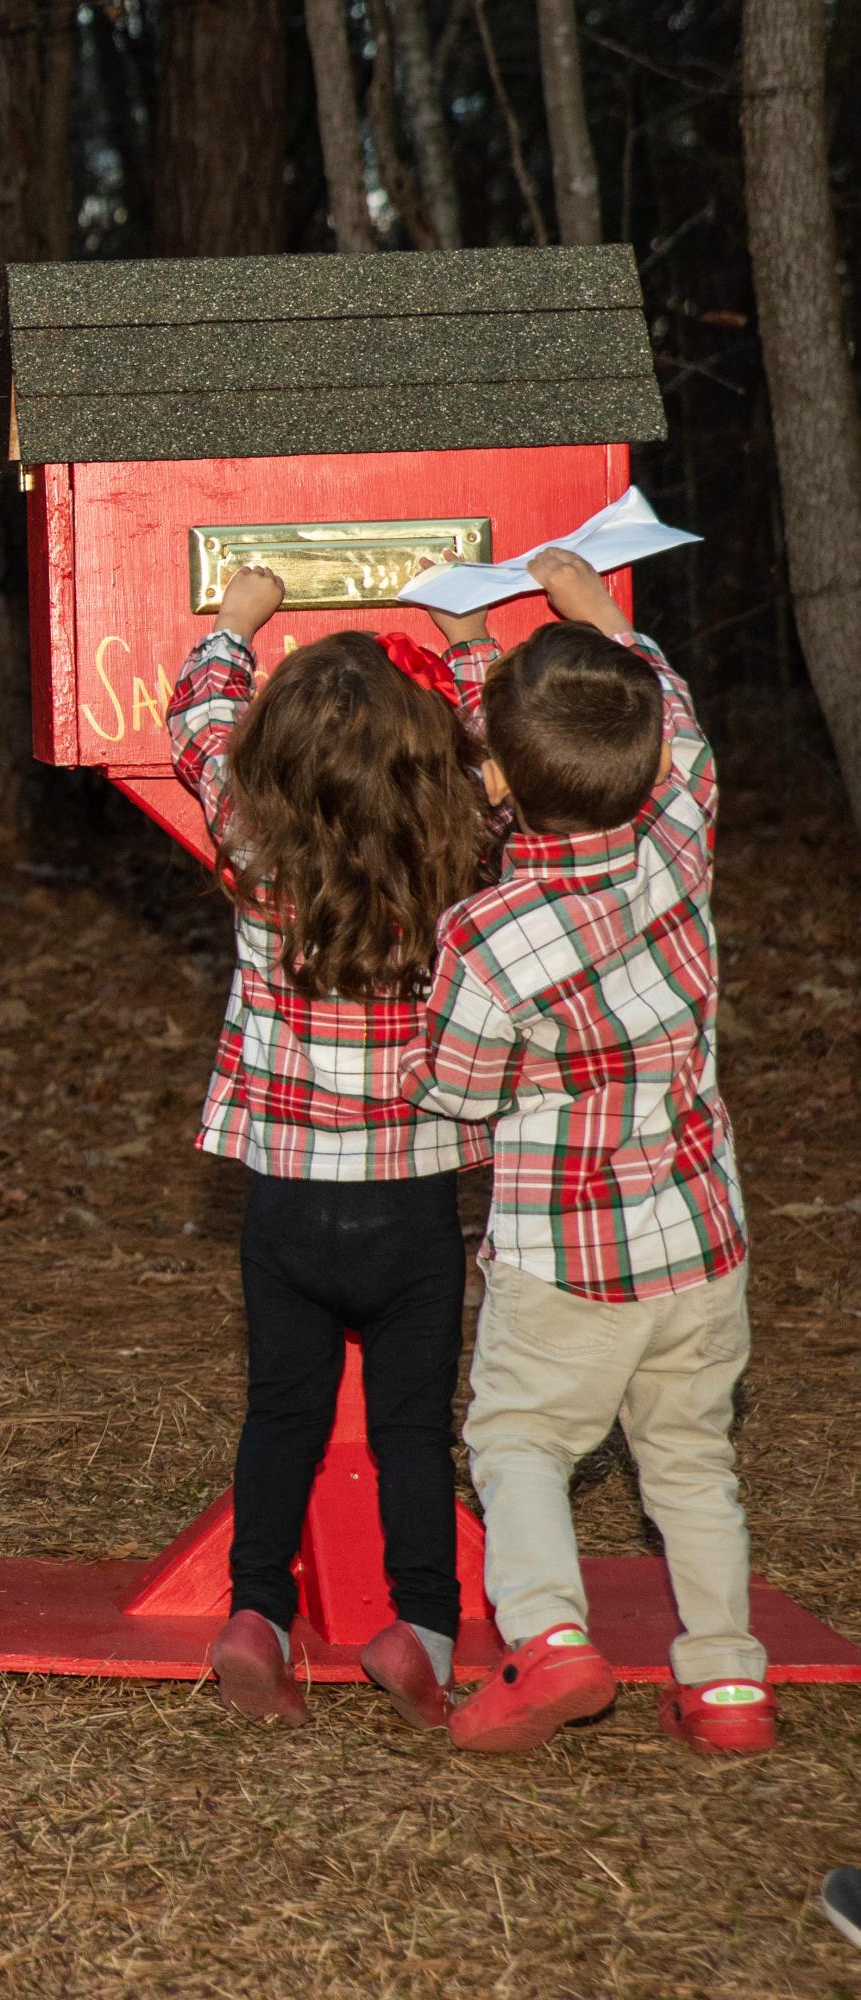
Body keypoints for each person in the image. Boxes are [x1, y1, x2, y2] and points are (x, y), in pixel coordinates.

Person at [402, 549, 769, 1756]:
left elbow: (455, 1090)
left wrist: (465, 653)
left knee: (516, 1442)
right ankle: (724, 1685)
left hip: (563, 1257)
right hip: (699, 1240)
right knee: (687, 1460)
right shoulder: (679, 841)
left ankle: (548, 1640)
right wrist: (605, 618)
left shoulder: (486, 932)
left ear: (494, 778)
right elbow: (680, 736)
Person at [166, 565, 497, 1730]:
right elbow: (508, 755)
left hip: (287, 1202)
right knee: (412, 1424)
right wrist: (467, 645)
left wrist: (235, 626)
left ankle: (254, 1612)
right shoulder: (459, 857)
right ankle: (421, 1627)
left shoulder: (257, 848)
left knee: (282, 1411)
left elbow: (201, 724)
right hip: (410, 1203)